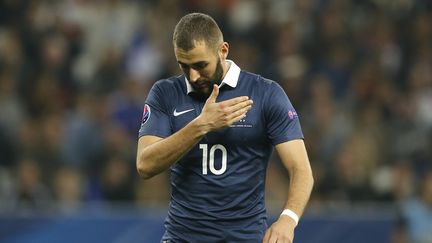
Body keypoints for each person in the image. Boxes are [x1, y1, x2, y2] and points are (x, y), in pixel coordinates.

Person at [136, 12, 314, 243]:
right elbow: (145, 164)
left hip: (245, 238)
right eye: (184, 66)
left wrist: (288, 219)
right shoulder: (165, 94)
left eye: (201, 65)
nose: (193, 75)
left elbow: (301, 170)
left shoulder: (266, 94)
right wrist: (201, 125)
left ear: (223, 50)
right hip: (183, 238)